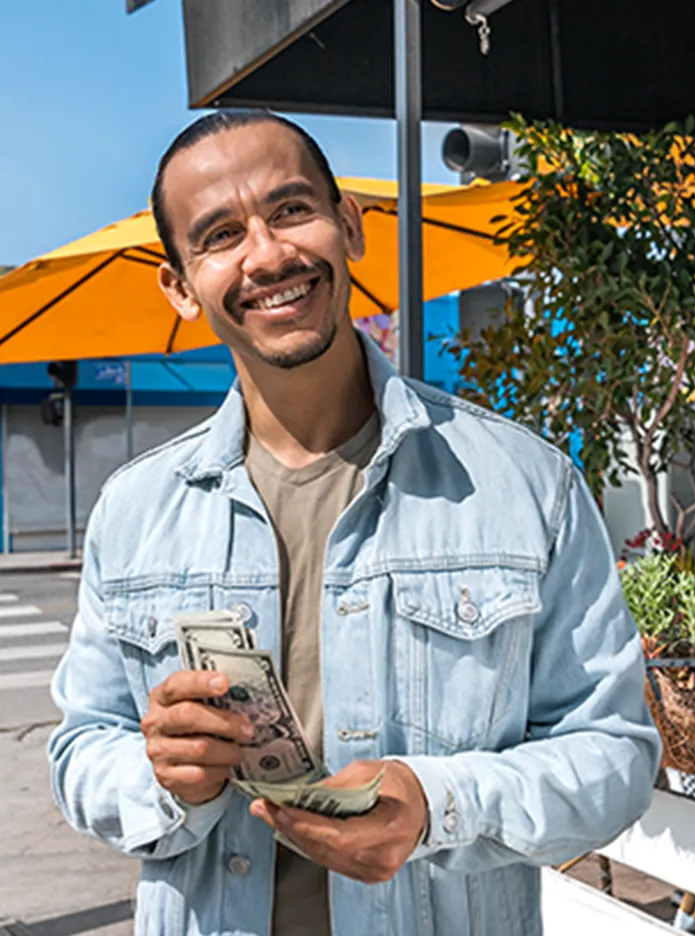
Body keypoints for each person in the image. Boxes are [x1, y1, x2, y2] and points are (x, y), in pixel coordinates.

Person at [46, 109, 661, 936]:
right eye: (220, 235)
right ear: (181, 286)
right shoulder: (135, 508)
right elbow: (82, 748)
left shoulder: (523, 483)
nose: (266, 255)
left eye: (291, 210)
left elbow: (614, 752)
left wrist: (439, 805)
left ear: (350, 226)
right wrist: (162, 778)